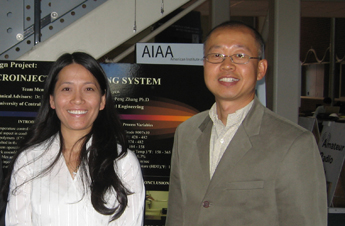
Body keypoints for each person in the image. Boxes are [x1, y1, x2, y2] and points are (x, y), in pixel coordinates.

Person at [165, 21, 327, 226]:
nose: (227, 65)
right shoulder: (186, 133)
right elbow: (177, 214)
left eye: (240, 56)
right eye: (216, 56)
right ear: (204, 64)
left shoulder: (293, 143)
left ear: (260, 69)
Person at [2, 52, 145, 225]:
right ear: (52, 100)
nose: (77, 99)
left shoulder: (123, 162)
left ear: (102, 100)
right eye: (67, 89)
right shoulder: (29, 160)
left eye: (89, 89)